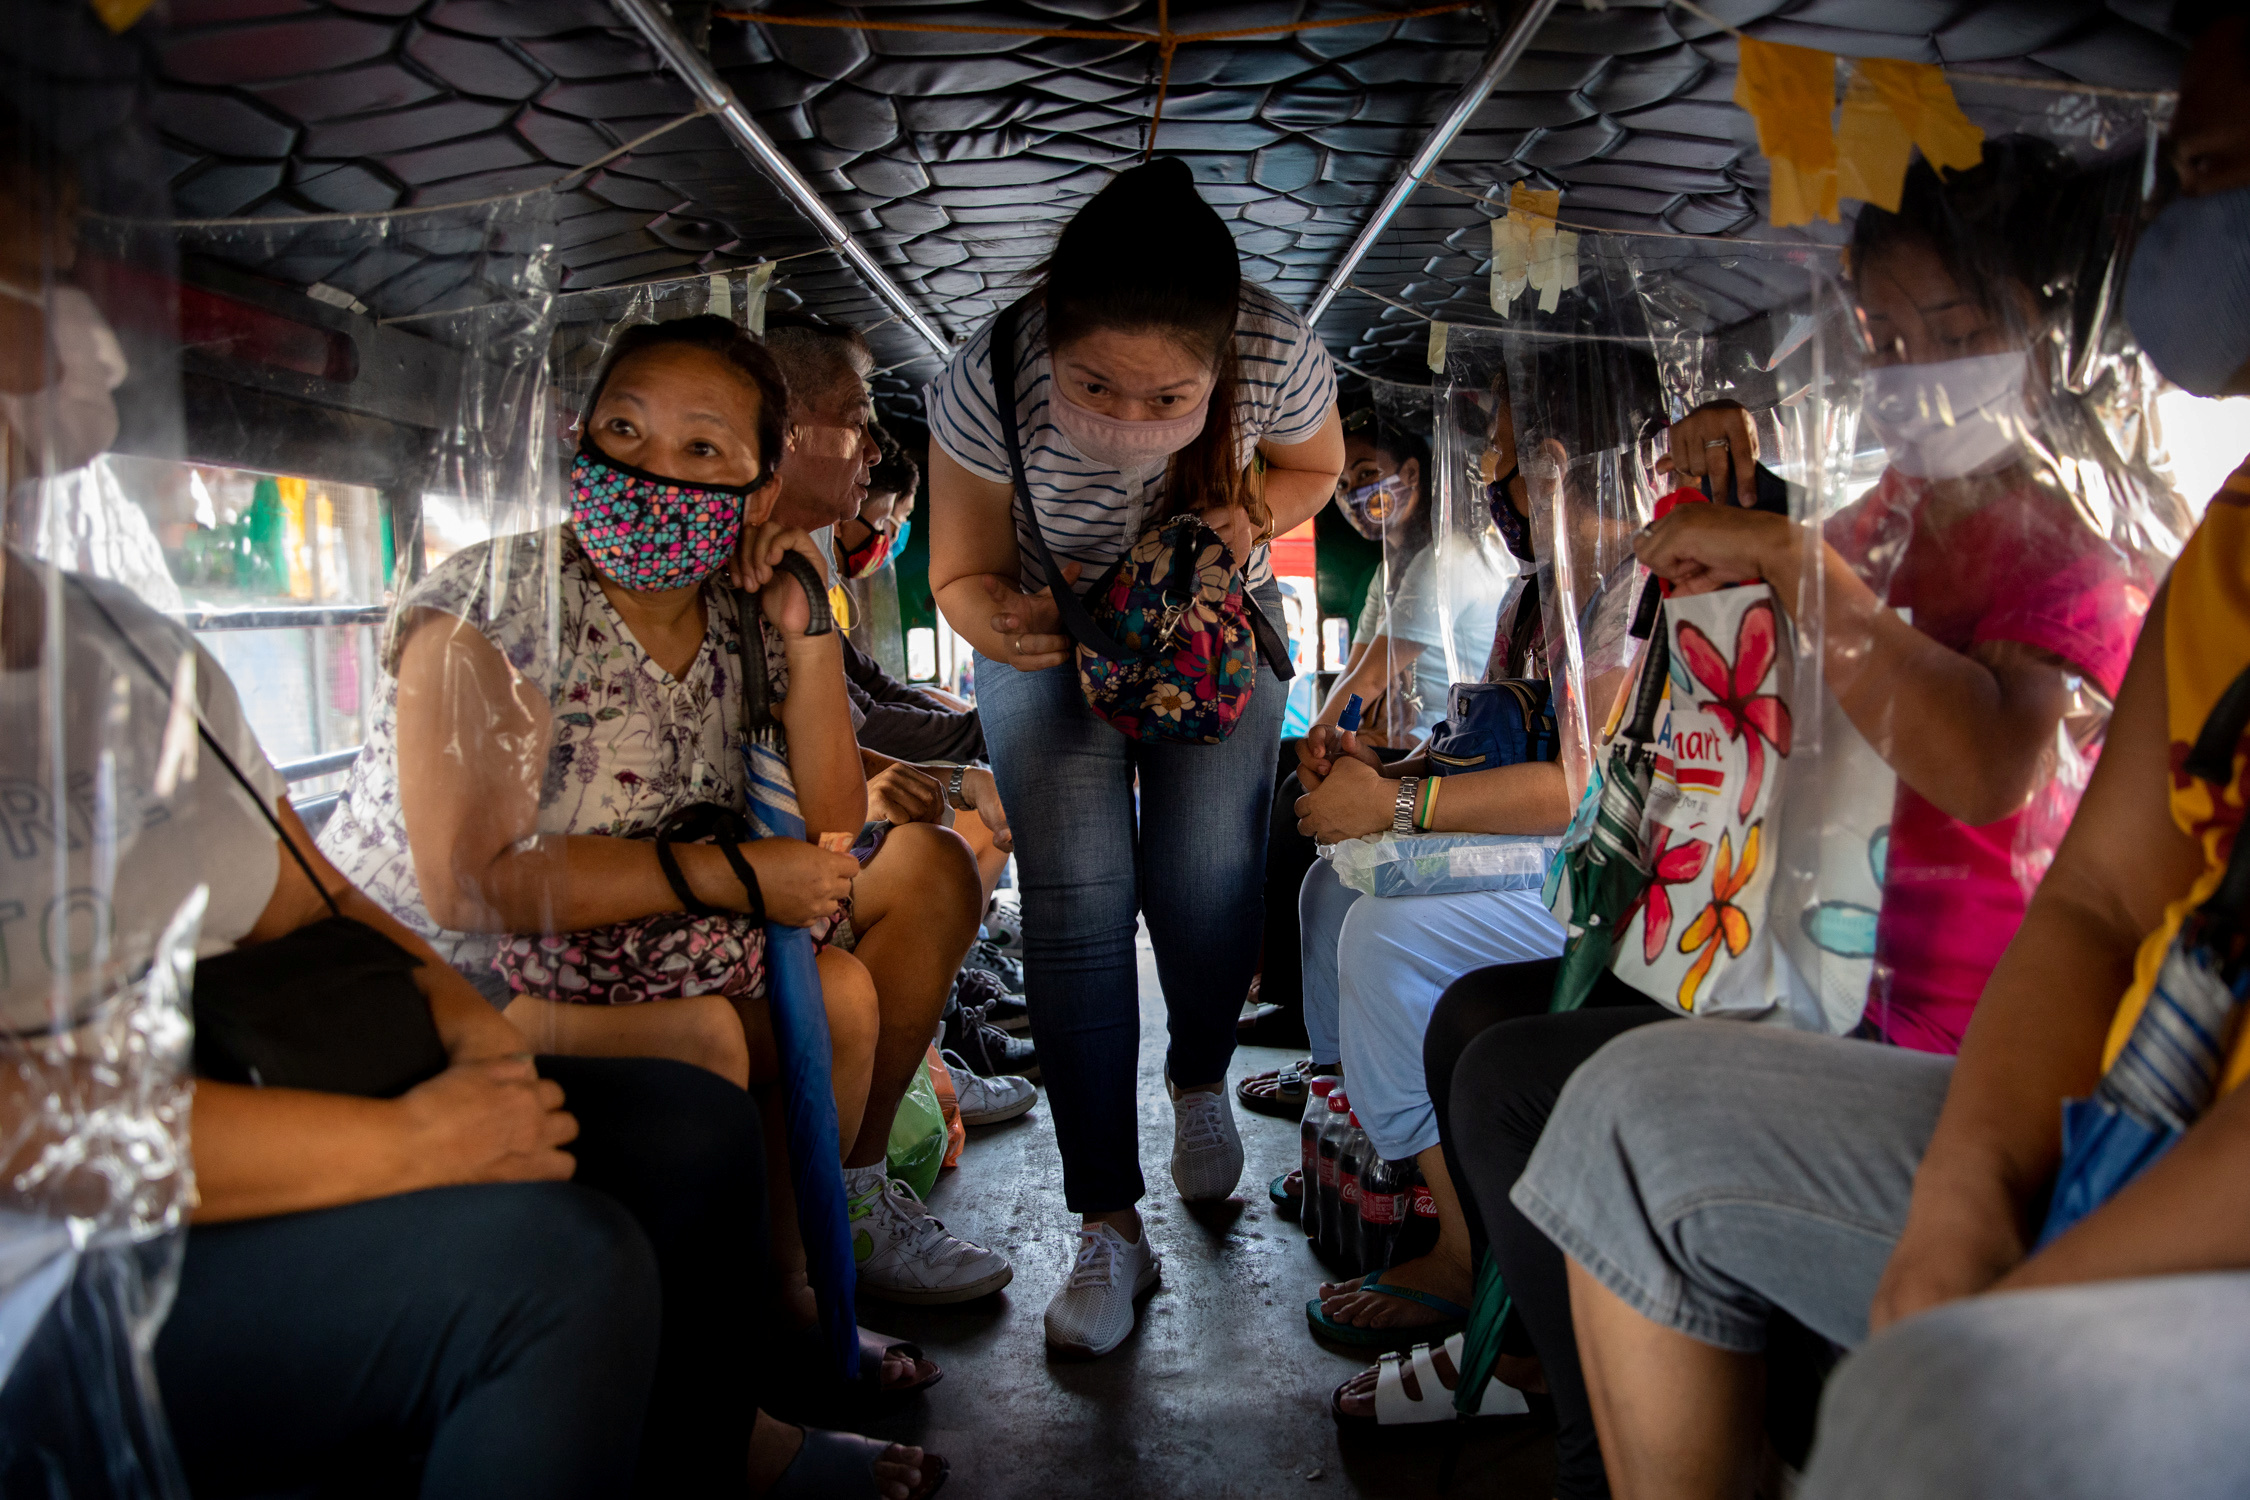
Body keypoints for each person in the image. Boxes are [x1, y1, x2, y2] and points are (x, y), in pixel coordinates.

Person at [1503, 16, 2250, 1499]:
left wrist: (2009, 1305)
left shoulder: (2072, 566)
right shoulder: (2218, 542)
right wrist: (1727, 524)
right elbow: (2100, 902)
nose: (1909, 377)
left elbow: (1986, 769)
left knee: (1521, 1078)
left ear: (2038, 335)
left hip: (1992, 1050)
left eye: (1946, 336)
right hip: (1923, 1022)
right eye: (1885, 343)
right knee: (1573, 1097)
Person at [0, 541, 945, 1500]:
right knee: (561, 1269)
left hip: (260, 1054)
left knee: (689, 1130)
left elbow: (315, 899)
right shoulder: (492, 614)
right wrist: (406, 1143)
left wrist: (472, 1041)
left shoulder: (126, 643)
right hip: (51, 1249)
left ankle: (720, 1440)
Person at [317, 315, 1002, 1312]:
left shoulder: (742, 610)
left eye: (701, 450)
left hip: (615, 947)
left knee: (844, 992)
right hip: (443, 975)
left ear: (758, 490)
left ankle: (802, 1275)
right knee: (717, 1039)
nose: (652, 472)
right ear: (580, 442)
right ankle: (716, 1339)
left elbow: (829, 810)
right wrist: (730, 877)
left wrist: (809, 630)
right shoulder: (491, 608)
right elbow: (469, 884)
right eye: (624, 434)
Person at [926, 155, 1343, 1357]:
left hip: (1211, 628)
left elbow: (1313, 466)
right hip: (1047, 630)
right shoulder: (984, 376)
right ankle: (1107, 1223)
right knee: (1077, 903)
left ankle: (1199, 1080)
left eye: (1168, 401)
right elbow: (957, 566)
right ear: (1051, 329)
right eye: (1095, 383)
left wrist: (1255, 513)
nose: (1126, 421)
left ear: (1222, 365)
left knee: (1206, 876)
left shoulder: (1276, 349)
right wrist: (989, 621)